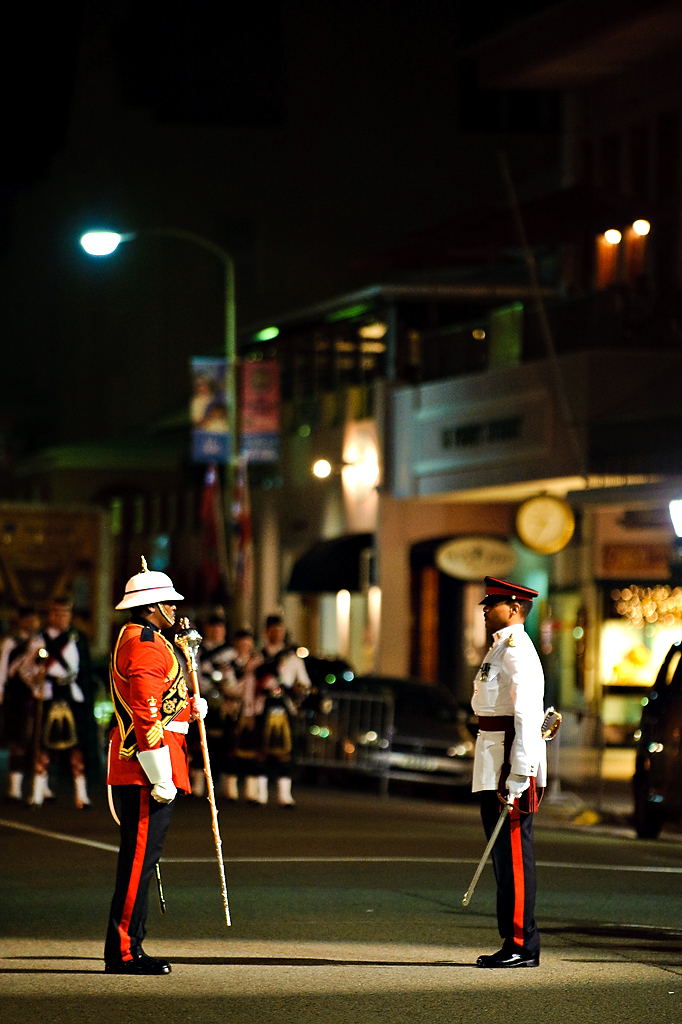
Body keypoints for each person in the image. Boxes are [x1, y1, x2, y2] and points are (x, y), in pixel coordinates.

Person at [104, 558, 206, 976]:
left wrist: (188, 709)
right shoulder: (145, 642)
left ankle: (130, 944)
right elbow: (145, 713)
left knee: (144, 859)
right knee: (138, 862)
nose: (175, 610)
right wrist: (160, 774)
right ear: (151, 607)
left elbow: (162, 702)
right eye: (168, 603)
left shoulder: (150, 638)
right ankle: (125, 951)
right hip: (148, 764)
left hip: (157, 757)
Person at [471, 576, 546, 970]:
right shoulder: (500, 649)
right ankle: (514, 939)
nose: (485, 608)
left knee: (514, 856)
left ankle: (522, 943)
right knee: (504, 857)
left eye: (494, 602)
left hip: (509, 768)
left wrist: (518, 776)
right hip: (495, 762)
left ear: (515, 607)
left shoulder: (516, 651)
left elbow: (526, 717)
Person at [31, 597, 97, 808]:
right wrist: (36, 675)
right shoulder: (39, 640)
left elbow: (84, 669)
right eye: (57, 612)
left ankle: (82, 795)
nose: (62, 617)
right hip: (48, 694)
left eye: (66, 612)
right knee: (43, 745)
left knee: (76, 746)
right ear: (50, 615)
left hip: (72, 694)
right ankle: (37, 792)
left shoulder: (77, 638)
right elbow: (28, 669)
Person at [245, 614, 311, 807]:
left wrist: (298, 692)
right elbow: (250, 685)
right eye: (273, 631)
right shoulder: (257, 658)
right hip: (262, 705)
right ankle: (261, 793)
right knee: (261, 750)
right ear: (266, 632)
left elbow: (305, 683)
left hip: (284, 706)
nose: (276, 634)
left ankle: (285, 795)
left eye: (279, 631)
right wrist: (248, 711)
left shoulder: (292, 658)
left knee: (286, 751)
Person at [0, 607, 43, 802]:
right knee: (18, 738)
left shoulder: (39, 642)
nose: (34, 623)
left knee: (35, 739)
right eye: (30, 619)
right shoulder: (11, 642)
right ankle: (15, 787)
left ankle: (40, 785)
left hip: (34, 695)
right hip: (15, 696)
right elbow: (3, 669)